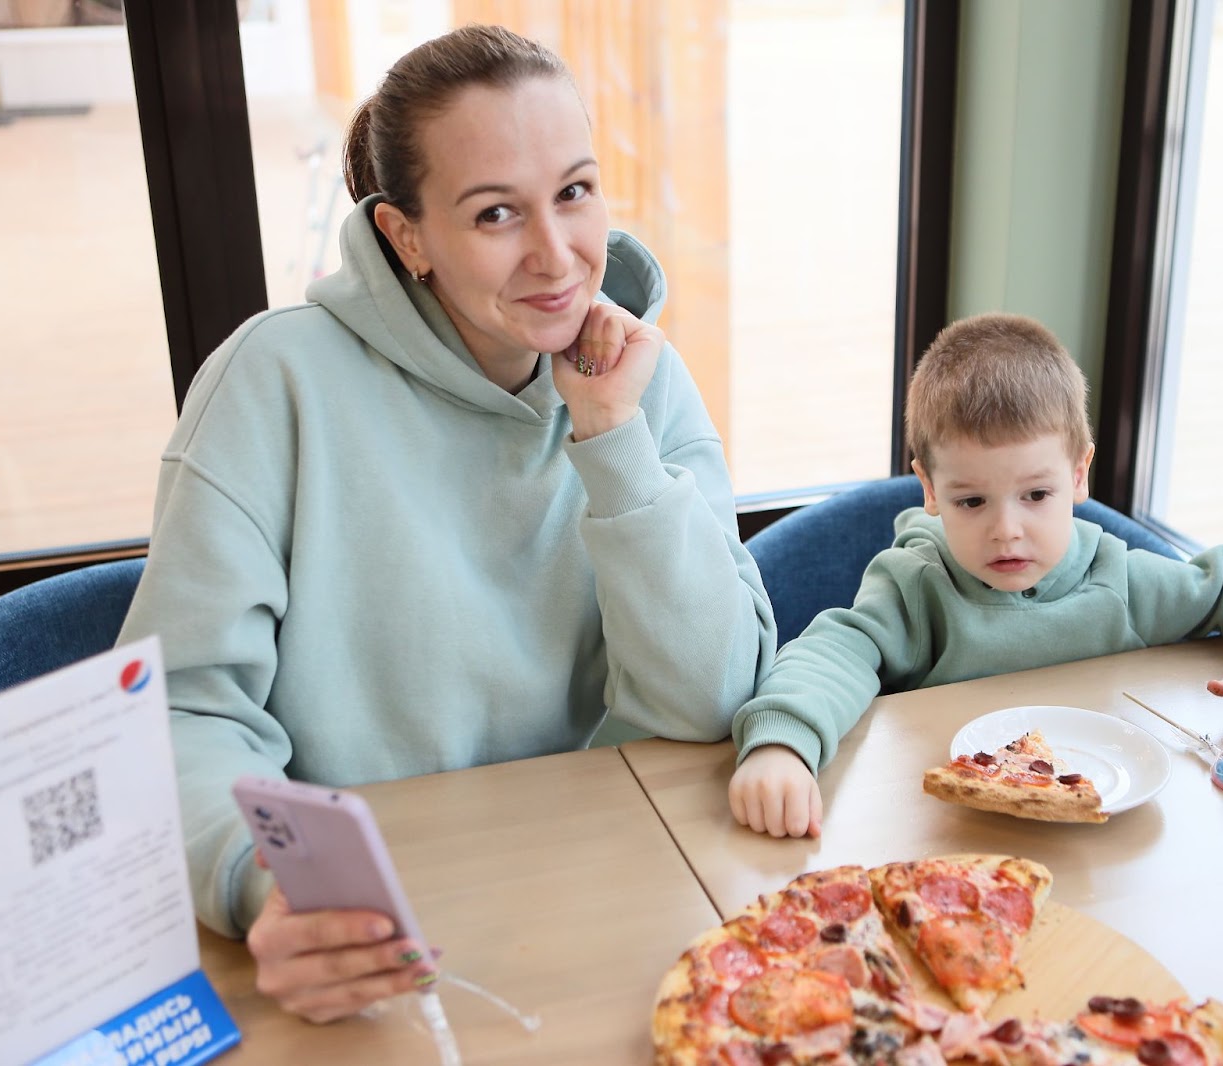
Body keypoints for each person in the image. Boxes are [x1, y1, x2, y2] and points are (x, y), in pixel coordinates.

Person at [117, 24, 774, 1021]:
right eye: (496, 213)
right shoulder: (271, 385)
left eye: (575, 191)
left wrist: (609, 438)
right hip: (377, 938)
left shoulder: (642, 379)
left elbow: (708, 695)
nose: (556, 254)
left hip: (618, 894)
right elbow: (180, 712)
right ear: (406, 235)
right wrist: (265, 882)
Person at [727, 312, 1223, 839]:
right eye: (972, 502)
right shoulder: (916, 585)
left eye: (1036, 494)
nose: (1006, 530)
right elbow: (832, 653)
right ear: (931, 489)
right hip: (950, 834)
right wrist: (783, 744)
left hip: (1106, 838)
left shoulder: (1118, 579)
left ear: (1078, 474)